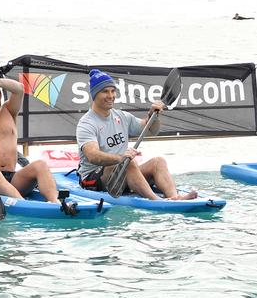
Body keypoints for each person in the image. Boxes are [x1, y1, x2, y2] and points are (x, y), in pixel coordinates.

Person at [76, 69, 198, 200]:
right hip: (93, 179)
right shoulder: (87, 123)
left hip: (122, 170)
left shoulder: (121, 116)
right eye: (105, 91)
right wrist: (120, 158)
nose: (111, 96)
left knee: (158, 162)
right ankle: (157, 201)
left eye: (113, 91)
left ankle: (175, 197)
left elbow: (151, 130)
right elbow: (93, 156)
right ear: (94, 95)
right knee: (128, 162)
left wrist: (153, 115)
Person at [0, 76, 76, 214]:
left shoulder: (9, 111)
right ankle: (25, 206)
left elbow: (19, 89)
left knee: (40, 165)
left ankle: (55, 203)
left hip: (12, 179)